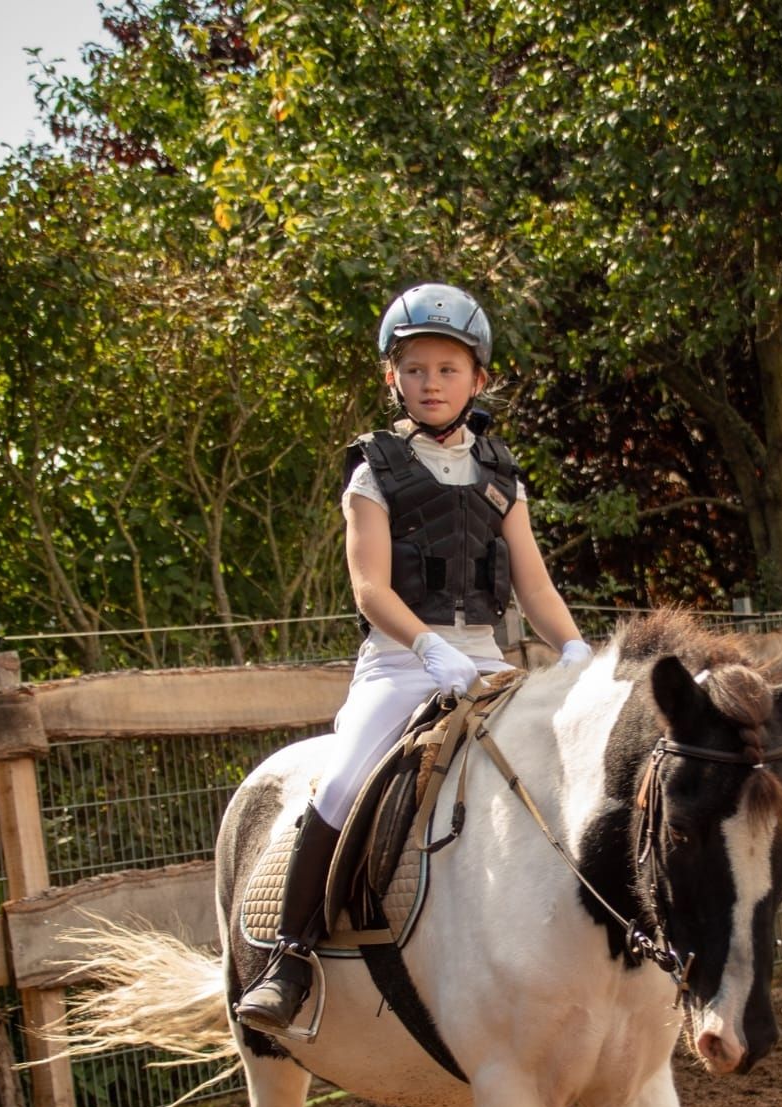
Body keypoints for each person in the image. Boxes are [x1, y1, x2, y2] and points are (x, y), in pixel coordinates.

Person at [237, 282, 592, 1031]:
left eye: (447, 369)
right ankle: (290, 956)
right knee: (338, 785)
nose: (431, 383)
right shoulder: (375, 470)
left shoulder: (501, 475)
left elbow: (533, 584)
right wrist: (429, 648)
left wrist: (576, 650)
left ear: (479, 379)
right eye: (416, 368)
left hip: (488, 665)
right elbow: (370, 587)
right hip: (400, 664)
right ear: (390, 376)